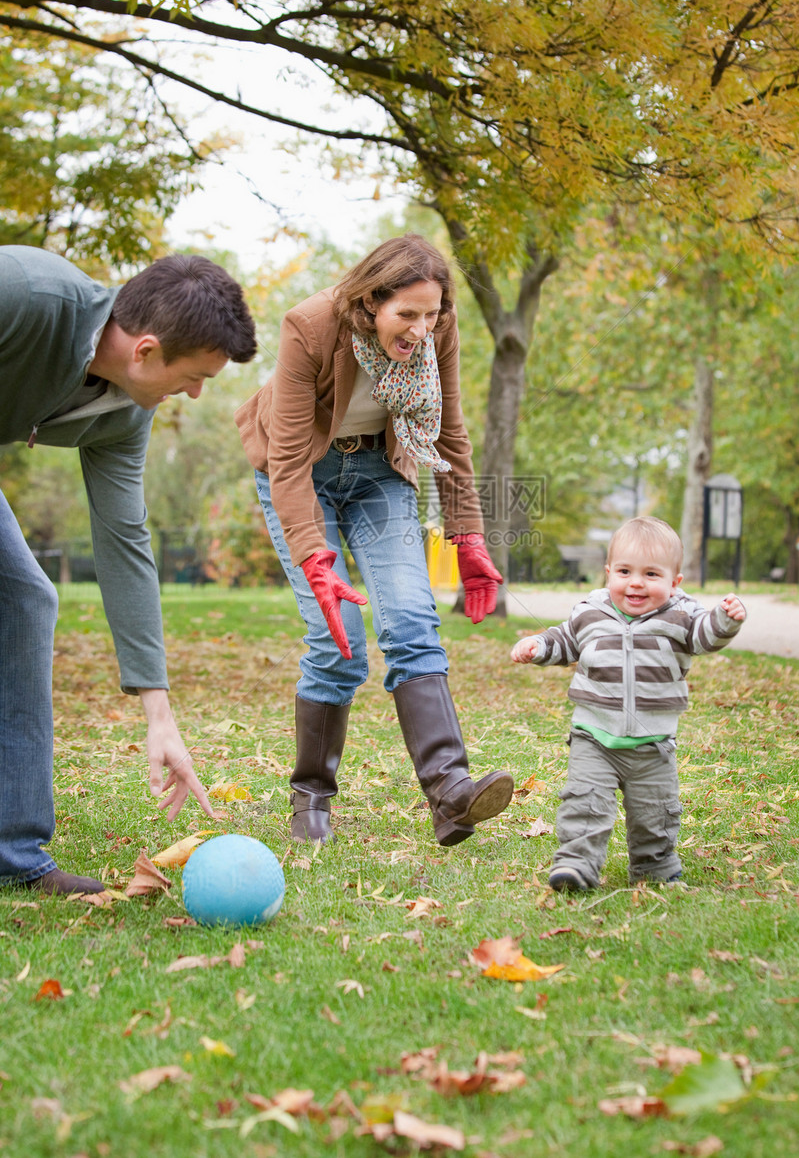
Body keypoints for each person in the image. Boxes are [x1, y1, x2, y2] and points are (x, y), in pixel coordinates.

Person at [235, 233, 513, 846]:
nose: (420, 329)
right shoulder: (310, 325)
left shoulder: (437, 333)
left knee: (413, 618)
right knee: (338, 644)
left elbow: (453, 434)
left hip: (380, 475)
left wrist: (467, 537)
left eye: (432, 314)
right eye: (406, 314)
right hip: (301, 473)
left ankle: (451, 794)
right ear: (369, 304)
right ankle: (310, 796)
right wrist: (315, 557)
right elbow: (284, 460)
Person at [0, 245, 257, 895]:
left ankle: (14, 853)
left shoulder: (123, 411)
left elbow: (124, 543)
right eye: (195, 376)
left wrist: (159, 714)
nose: (196, 394)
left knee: (26, 598)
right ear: (145, 351)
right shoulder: (28, 295)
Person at [510, 516, 746, 892]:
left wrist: (725, 619)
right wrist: (538, 646)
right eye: (624, 571)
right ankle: (577, 863)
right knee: (585, 802)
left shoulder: (681, 616)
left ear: (674, 582)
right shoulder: (590, 612)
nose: (636, 582)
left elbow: (706, 637)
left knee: (655, 811)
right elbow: (565, 639)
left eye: (652, 574)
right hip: (594, 736)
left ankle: (654, 865)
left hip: (653, 742)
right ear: (608, 574)